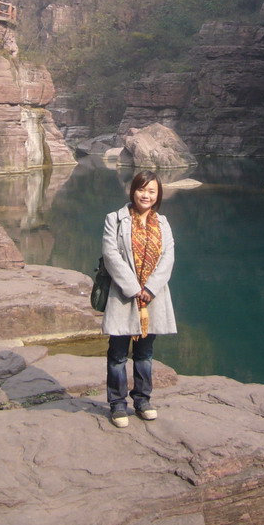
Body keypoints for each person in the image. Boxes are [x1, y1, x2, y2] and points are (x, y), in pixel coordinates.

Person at [101, 170, 176, 428]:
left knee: (144, 353)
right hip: (125, 295)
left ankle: (143, 400)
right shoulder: (115, 219)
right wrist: (134, 288)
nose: (146, 195)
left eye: (152, 191)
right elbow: (111, 255)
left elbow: (168, 258)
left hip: (152, 297)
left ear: (158, 195)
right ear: (132, 190)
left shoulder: (163, 223)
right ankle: (118, 404)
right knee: (118, 353)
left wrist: (150, 288)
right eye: (142, 189)